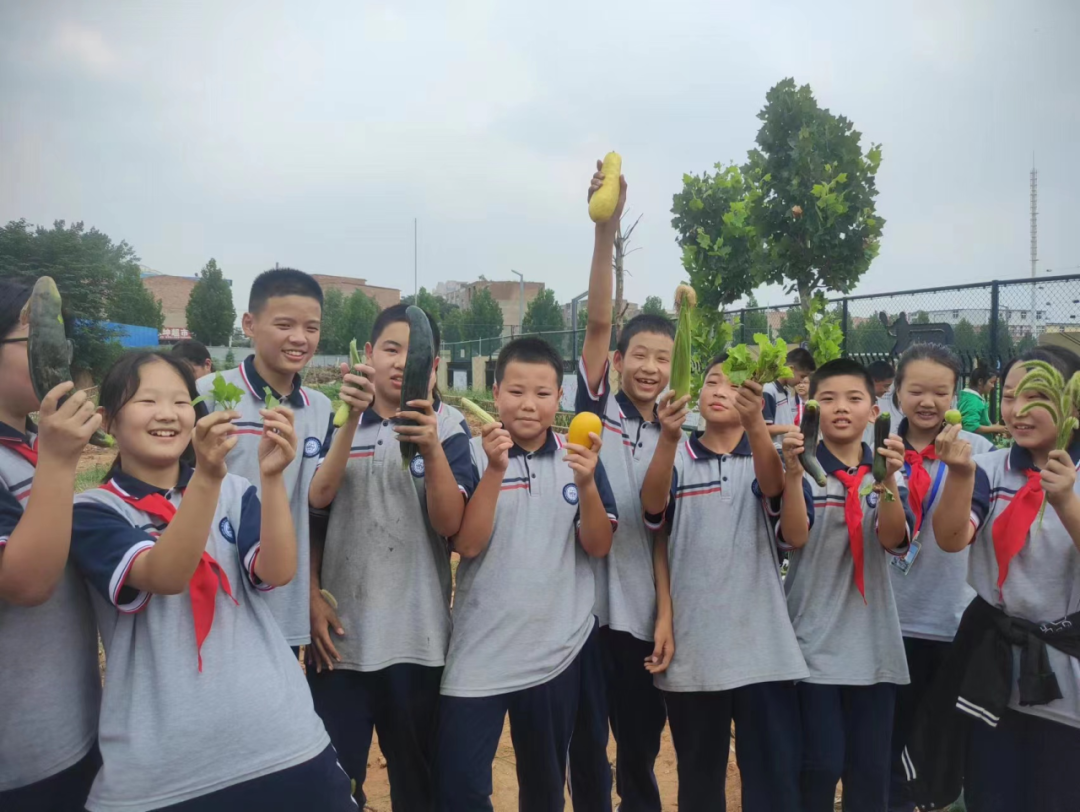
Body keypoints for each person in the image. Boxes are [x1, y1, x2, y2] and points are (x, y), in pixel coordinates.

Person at [68, 352, 354, 811]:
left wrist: (272, 478)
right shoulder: (94, 511)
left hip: (281, 741)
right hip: (162, 772)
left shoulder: (234, 492)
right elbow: (166, 575)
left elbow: (278, 571)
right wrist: (206, 478)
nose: (167, 413)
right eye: (147, 401)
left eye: (180, 401)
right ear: (108, 421)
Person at [434, 338, 618, 812]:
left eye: (542, 393)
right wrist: (496, 470)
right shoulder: (472, 454)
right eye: (516, 392)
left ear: (560, 397)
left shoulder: (581, 457)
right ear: (495, 394)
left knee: (544, 788)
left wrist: (586, 484)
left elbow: (598, 545)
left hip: (555, 653)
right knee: (460, 786)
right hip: (480, 651)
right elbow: (467, 544)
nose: (529, 404)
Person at [307, 305, 476, 810]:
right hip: (340, 643)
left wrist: (431, 446)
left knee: (417, 786)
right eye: (390, 349)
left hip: (418, 640)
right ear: (369, 353)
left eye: (413, 352)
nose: (402, 362)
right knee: (334, 787)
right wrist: (311, 595)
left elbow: (450, 526)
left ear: (434, 365)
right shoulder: (335, 420)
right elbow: (315, 508)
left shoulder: (450, 427)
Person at [640, 356, 809, 811]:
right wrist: (668, 438)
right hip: (696, 652)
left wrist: (757, 428)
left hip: (764, 652)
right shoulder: (676, 458)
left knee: (773, 784)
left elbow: (776, 494)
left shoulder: (771, 461)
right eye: (712, 381)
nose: (720, 390)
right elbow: (654, 515)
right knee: (699, 782)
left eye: (735, 384)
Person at [918, 347, 1080, 811]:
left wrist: (1066, 502)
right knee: (992, 791)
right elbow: (952, 538)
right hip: (994, 672)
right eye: (1009, 396)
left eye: (1036, 396)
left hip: (1069, 674)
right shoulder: (990, 468)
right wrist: (959, 474)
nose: (1018, 410)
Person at [570, 159, 673, 811]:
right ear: (617, 361)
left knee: (638, 750)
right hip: (583, 615)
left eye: (664, 359)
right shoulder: (597, 407)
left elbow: (665, 535)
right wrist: (604, 232)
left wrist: (665, 612)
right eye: (640, 355)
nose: (651, 367)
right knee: (586, 752)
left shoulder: (680, 434)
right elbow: (599, 323)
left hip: (639, 616)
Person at [779, 357, 914, 812]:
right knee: (820, 766)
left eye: (854, 398)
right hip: (811, 645)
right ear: (810, 408)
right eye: (828, 399)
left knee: (870, 775)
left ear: (874, 411)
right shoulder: (799, 468)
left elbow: (894, 540)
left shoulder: (890, 472)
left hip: (874, 649)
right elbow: (794, 537)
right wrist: (793, 475)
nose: (841, 407)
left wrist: (887, 480)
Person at [0, 280, 103, 812]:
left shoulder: (29, 449)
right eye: (36, 335)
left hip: (71, 724)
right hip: (18, 758)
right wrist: (60, 462)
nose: (59, 354)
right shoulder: (43, 456)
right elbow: (27, 584)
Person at [196, 268, 333, 651]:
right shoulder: (208, 395)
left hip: (285, 604)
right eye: (284, 325)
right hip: (215, 599)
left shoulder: (321, 409)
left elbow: (315, 510)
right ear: (249, 324)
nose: (299, 338)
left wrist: (312, 592)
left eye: (311, 328)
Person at [884, 344, 993, 812]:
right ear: (897, 391)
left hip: (951, 619)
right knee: (888, 742)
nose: (927, 402)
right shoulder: (879, 445)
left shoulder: (980, 453)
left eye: (940, 392)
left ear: (955, 395)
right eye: (916, 390)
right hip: (887, 620)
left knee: (937, 746)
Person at [764, 346, 816, 440]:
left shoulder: (786, 391)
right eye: (802, 376)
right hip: (773, 448)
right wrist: (791, 428)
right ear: (790, 369)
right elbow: (763, 428)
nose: (801, 381)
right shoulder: (769, 391)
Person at [958, 367, 1007, 436]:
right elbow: (970, 426)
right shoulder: (973, 401)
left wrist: (995, 427)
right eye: (991, 382)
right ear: (980, 381)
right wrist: (996, 429)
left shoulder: (972, 398)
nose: (993, 386)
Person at [863, 359, 900, 446]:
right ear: (874, 380)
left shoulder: (875, 402)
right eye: (885, 386)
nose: (888, 390)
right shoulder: (859, 404)